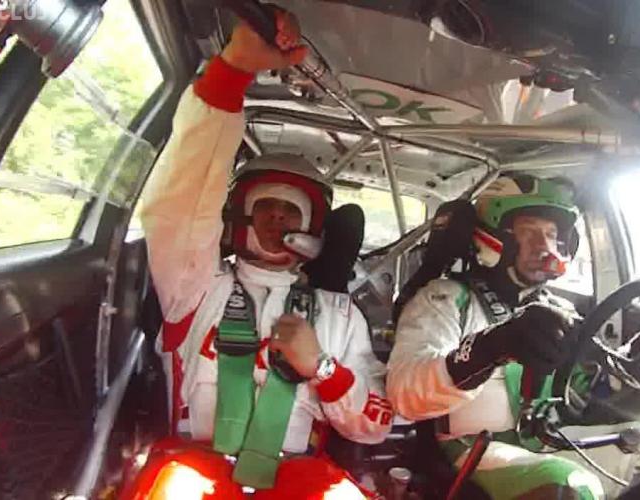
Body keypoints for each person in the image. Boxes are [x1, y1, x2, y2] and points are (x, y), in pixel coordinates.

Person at [138, 9, 392, 497]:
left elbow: (374, 425)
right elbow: (182, 199)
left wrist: (322, 369)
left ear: (313, 228)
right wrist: (231, 72)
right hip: (195, 466)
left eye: (290, 212)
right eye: (266, 208)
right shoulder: (195, 284)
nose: (277, 220)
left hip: (300, 477)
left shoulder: (339, 316)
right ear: (238, 217)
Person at [387, 175, 604, 499]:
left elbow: (581, 387)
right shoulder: (446, 299)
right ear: (493, 237)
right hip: (469, 447)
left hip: (545, 439)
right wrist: (489, 348)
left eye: (551, 234)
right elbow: (404, 393)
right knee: (568, 484)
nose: (544, 246)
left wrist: (638, 360)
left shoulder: (559, 310)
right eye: (528, 231)